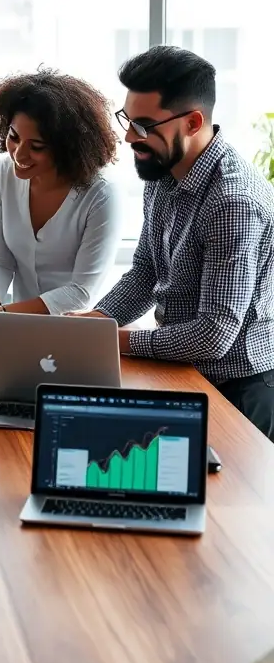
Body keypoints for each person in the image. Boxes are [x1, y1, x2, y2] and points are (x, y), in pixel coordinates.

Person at [85, 45, 274, 441]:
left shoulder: (232, 202)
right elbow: (146, 272)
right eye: (126, 119)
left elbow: (214, 333)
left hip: (240, 388)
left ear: (193, 122)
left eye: (143, 125)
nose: (127, 137)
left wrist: (115, 341)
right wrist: (96, 323)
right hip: (185, 371)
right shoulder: (163, 170)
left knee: (225, 502)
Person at [0, 69, 121, 315]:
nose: (19, 154)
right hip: (15, 325)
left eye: (37, 146)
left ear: (67, 148)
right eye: (14, 136)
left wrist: (0, 314)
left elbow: (81, 293)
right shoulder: (2, 173)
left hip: (79, 328)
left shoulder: (101, 194)